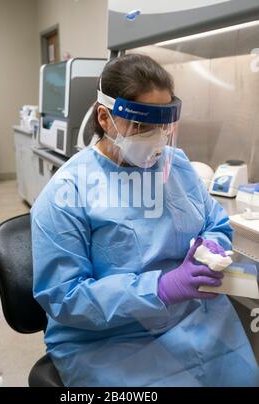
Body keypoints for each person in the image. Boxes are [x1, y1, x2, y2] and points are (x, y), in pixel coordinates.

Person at [31, 54, 259, 387]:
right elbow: (65, 297)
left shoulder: (175, 165)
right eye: (142, 126)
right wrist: (162, 288)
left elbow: (215, 221)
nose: (157, 138)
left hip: (193, 320)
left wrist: (213, 245)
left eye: (163, 125)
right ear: (105, 118)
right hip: (109, 340)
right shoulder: (67, 192)